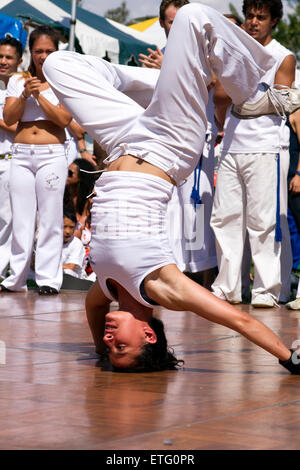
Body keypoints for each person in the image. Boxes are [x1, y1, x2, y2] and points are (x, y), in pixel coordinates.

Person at [43, 3, 300, 374]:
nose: (112, 340)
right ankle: (253, 90)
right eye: (122, 347)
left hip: (122, 142)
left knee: (58, 65)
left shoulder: (110, 287)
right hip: (170, 144)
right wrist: (288, 357)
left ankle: (163, 79)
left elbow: (92, 308)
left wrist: (99, 349)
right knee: (192, 16)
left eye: (111, 346)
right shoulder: (163, 286)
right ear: (149, 335)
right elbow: (238, 321)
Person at [210, 0, 295, 307]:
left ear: (273, 21)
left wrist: (240, 97)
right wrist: (248, 96)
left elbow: (279, 102)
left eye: (261, 17)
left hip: (265, 145)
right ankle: (227, 288)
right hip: (232, 143)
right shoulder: (232, 50)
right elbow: (219, 94)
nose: (253, 22)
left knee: (264, 222)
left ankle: (267, 290)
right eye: (250, 16)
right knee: (225, 218)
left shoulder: (283, 56)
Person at [0, 25, 72, 295]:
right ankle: (15, 278)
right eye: (38, 51)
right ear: (30, 52)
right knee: (21, 218)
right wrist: (24, 95)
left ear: (56, 51)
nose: (43, 56)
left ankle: (48, 279)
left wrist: (39, 95)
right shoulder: (18, 80)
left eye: (48, 51)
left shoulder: (63, 80)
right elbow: (9, 118)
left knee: (50, 218)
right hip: (20, 155)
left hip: (51, 155)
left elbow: (65, 119)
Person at [0, 37, 23, 281]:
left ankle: (4, 271)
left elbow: (17, 125)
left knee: (7, 219)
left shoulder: (20, 87)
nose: (3, 62)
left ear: (19, 60)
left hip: (10, 159)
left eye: (9, 57)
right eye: (1, 57)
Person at [138, 0, 189, 70]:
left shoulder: (203, 52)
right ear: (161, 23)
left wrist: (165, 67)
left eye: (182, 21)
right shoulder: (155, 60)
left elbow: (207, 80)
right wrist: (146, 73)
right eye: (172, 22)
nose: (177, 26)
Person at [62, 210, 86, 279]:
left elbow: (71, 267)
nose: (68, 231)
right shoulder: (52, 241)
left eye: (71, 227)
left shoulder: (76, 243)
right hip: (54, 272)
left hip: (75, 279)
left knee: (67, 272)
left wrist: (49, 267)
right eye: (64, 226)